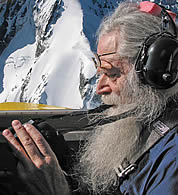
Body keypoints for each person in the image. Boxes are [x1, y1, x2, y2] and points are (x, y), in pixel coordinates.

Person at [2, 1, 178, 194]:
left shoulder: (172, 160)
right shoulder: (141, 128)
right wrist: (67, 170)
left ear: (157, 72)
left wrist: (56, 190)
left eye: (112, 74)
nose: (99, 88)